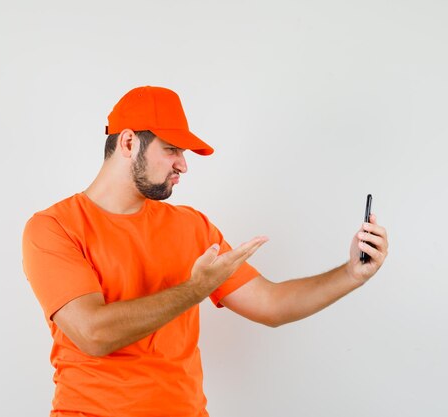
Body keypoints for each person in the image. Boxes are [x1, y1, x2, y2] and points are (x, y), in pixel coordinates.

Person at [22, 86, 389, 417]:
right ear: (129, 143)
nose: (183, 164)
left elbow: (271, 304)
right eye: (171, 150)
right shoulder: (54, 228)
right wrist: (194, 291)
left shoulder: (191, 226)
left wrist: (350, 273)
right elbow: (93, 333)